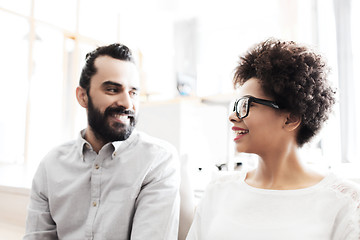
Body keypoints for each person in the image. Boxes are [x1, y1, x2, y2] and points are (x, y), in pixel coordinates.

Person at [186, 38, 360, 240]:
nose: (233, 116)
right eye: (234, 106)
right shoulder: (218, 192)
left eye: (246, 106)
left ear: (291, 118)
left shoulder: (345, 202)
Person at [24, 43, 180, 240]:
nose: (127, 103)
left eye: (133, 92)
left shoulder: (157, 161)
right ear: (83, 96)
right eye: (113, 90)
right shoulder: (51, 165)